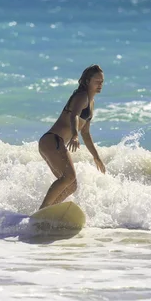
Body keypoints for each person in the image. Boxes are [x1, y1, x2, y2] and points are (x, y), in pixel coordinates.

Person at [38, 64, 106, 209]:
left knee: (71, 186)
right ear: (88, 81)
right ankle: (42, 209)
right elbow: (74, 115)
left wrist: (96, 156)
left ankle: (47, 212)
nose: (100, 84)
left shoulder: (91, 103)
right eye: (97, 81)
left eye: (102, 82)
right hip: (53, 140)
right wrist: (75, 135)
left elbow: (86, 133)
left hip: (52, 142)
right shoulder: (82, 96)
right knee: (69, 177)